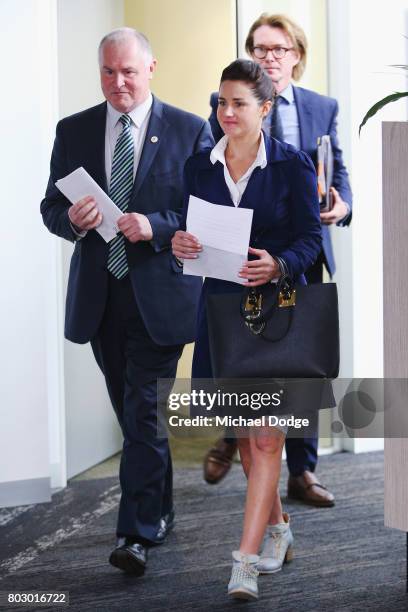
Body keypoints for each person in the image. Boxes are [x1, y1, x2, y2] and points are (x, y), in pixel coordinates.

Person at [41, 27, 213, 576]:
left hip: (160, 298)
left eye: (129, 72)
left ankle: (133, 535)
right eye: (108, 72)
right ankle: (158, 508)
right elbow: (49, 206)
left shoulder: (189, 130)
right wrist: (69, 220)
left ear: (151, 69)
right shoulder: (75, 130)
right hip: (100, 298)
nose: (119, 83)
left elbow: (206, 213)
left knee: (142, 412)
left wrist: (157, 226)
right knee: (134, 414)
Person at [172, 59, 321, 600]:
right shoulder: (199, 168)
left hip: (276, 317)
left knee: (265, 436)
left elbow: (312, 241)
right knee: (247, 440)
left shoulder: (292, 166)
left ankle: (245, 563)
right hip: (220, 316)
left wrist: (278, 263)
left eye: (238, 102)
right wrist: (180, 243)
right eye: (220, 102)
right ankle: (279, 530)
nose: (225, 112)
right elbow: (189, 236)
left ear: (265, 107)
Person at [203, 13, 353, 507]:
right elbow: (216, 171)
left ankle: (302, 470)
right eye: (261, 49)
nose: (271, 57)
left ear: (297, 56)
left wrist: (341, 204)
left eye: (280, 49)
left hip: (302, 254)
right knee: (245, 347)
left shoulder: (321, 106)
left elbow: (338, 171)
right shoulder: (224, 105)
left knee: (301, 360)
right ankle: (236, 435)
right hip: (248, 251)